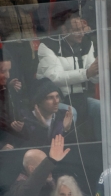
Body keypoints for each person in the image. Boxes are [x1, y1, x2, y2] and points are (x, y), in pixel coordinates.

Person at [36, 12, 101, 140]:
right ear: (65, 30)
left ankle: (101, 147)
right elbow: (55, 77)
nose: (81, 33)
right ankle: (64, 150)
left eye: (82, 29)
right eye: (77, 30)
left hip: (81, 97)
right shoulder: (48, 45)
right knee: (71, 113)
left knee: (101, 108)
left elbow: (93, 77)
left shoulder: (87, 43)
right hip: (55, 100)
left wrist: (99, 70)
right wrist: (86, 73)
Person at [5, 135, 70, 196]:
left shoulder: (49, 182)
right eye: (44, 165)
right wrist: (51, 161)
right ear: (32, 169)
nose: (50, 169)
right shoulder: (18, 188)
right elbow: (28, 190)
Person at [10, 77, 74, 148]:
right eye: (50, 98)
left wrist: (67, 130)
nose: (56, 101)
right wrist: (42, 128)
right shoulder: (25, 121)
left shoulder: (64, 116)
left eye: (57, 96)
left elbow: (75, 149)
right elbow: (29, 152)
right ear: (39, 102)